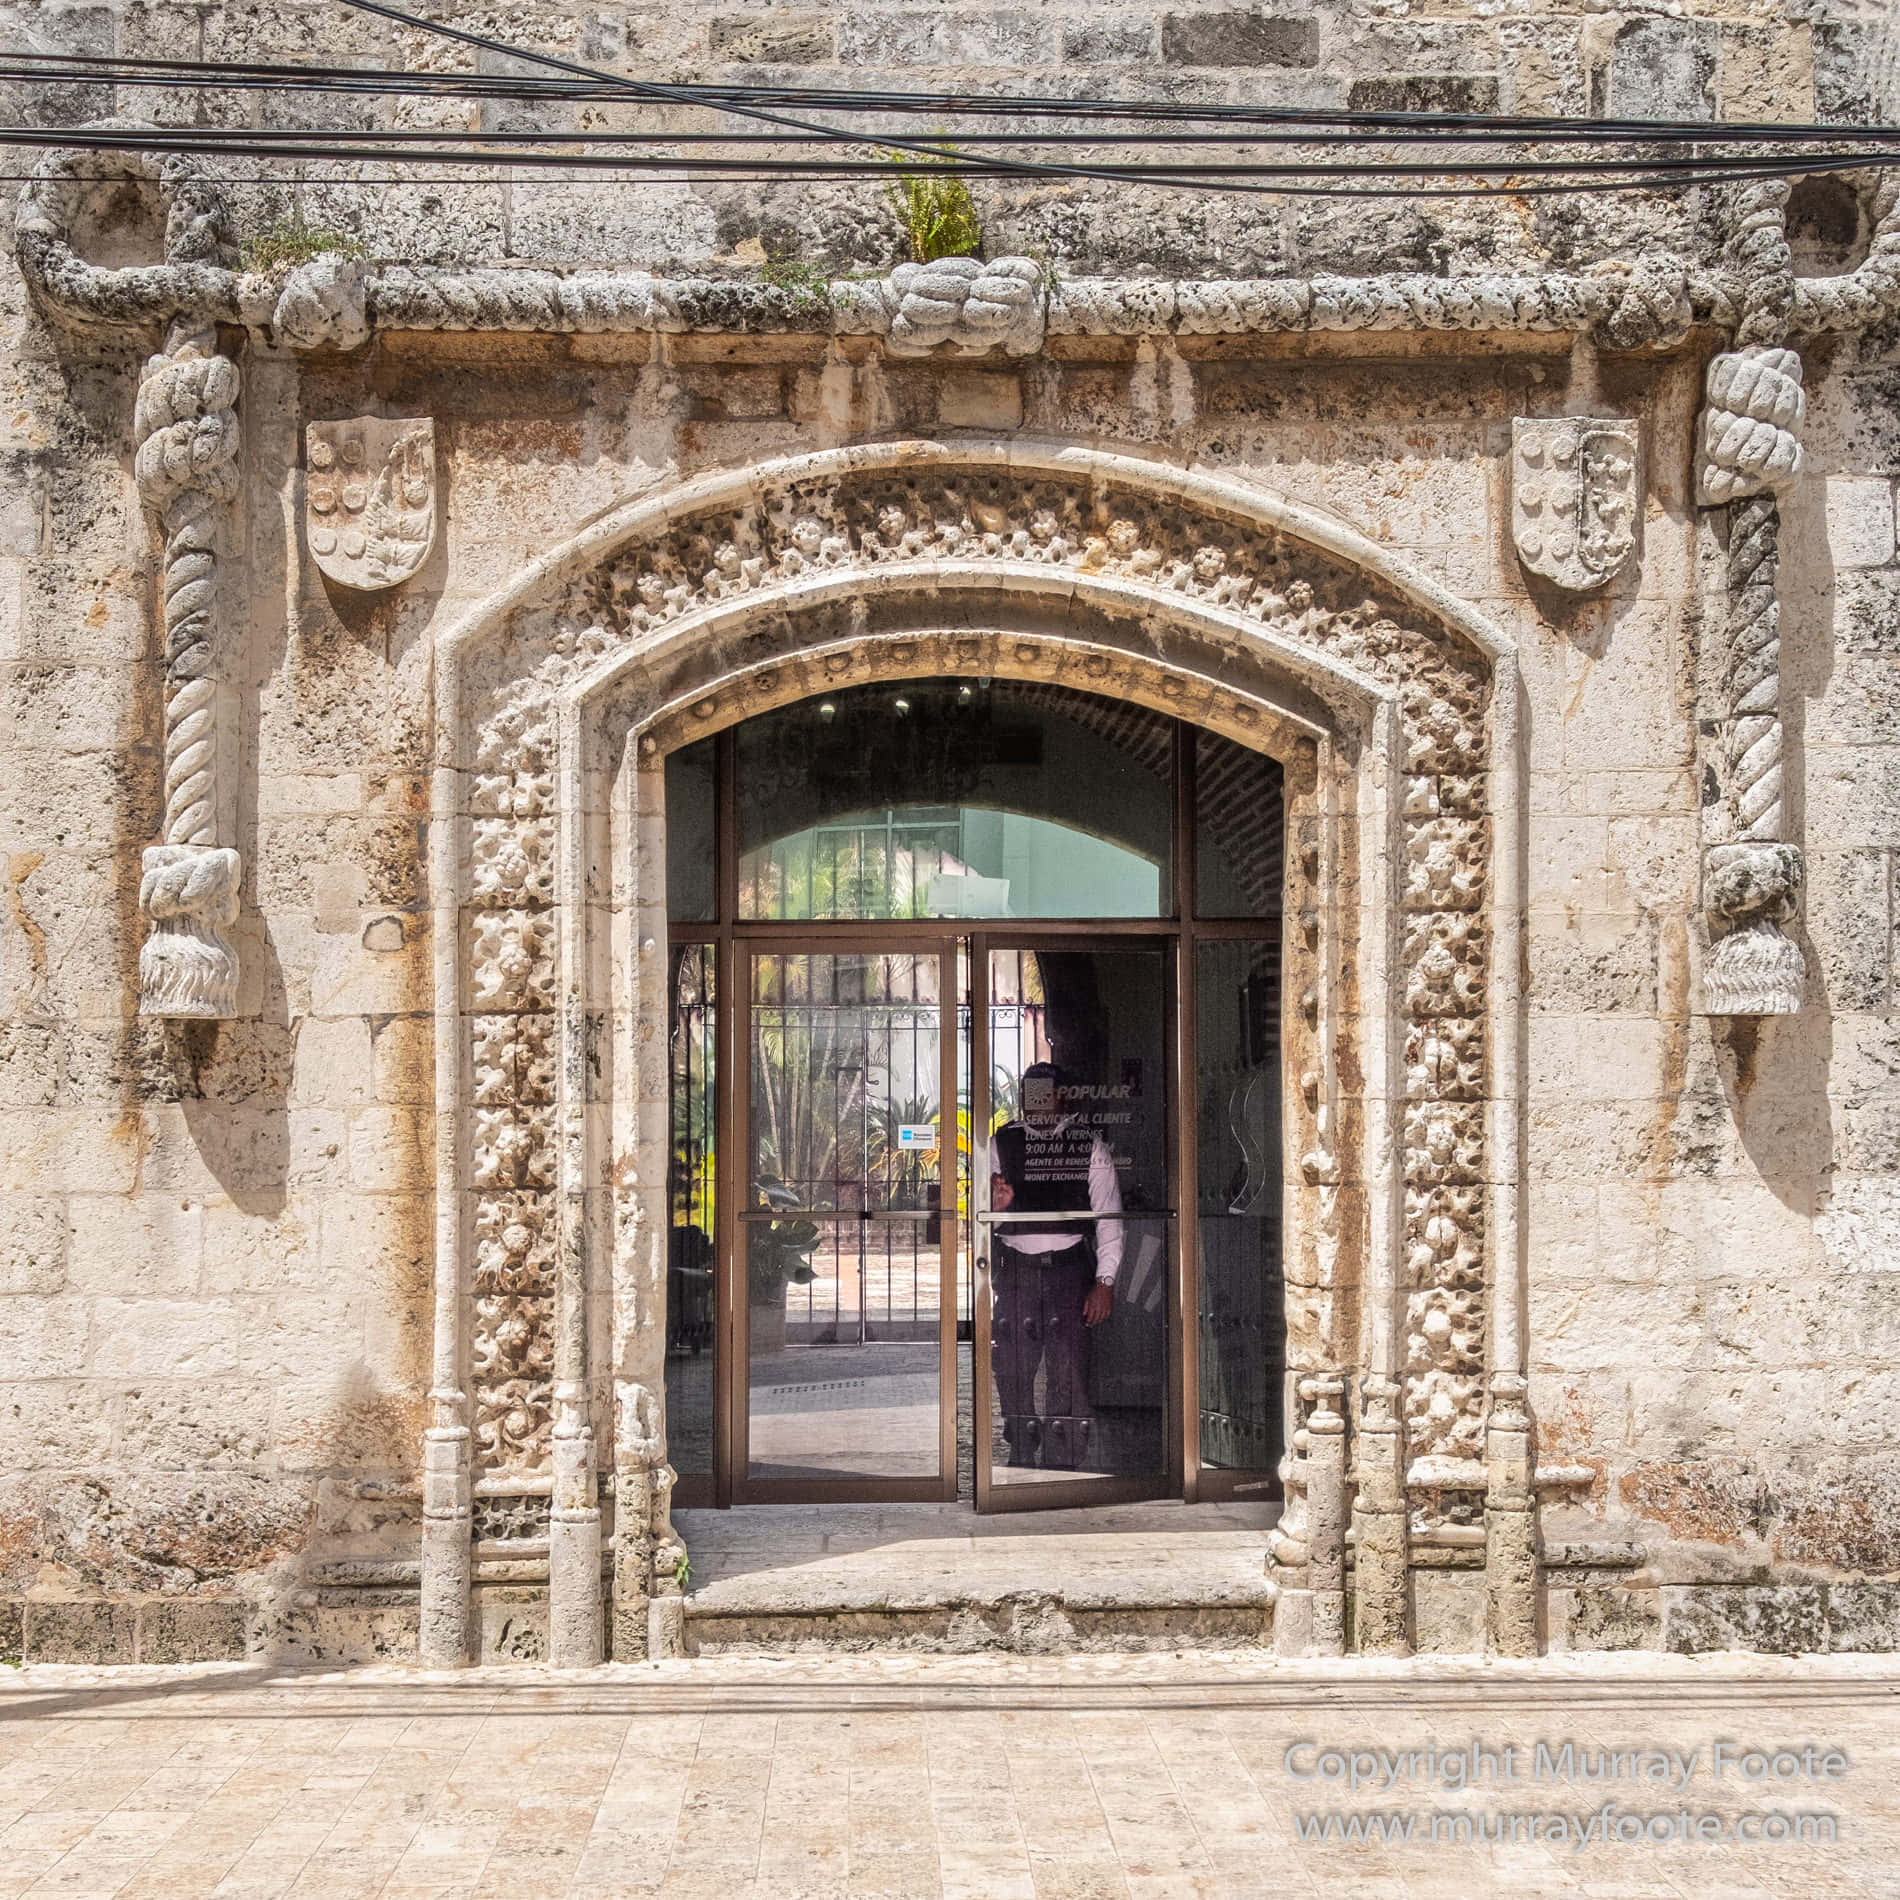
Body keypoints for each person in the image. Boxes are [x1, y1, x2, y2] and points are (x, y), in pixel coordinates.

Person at [988, 1062, 1125, 1470]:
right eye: (1029, 1097)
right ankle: (1021, 1442)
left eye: (1044, 1095)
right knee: (1011, 1364)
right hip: (1016, 1271)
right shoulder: (1002, 1143)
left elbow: (1109, 1220)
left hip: (1069, 1273)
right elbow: (981, 1216)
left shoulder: (1089, 1146)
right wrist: (997, 1208)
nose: (1035, 1105)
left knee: (1067, 1368)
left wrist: (1105, 1281)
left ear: (1062, 1097)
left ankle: (1062, 1460)